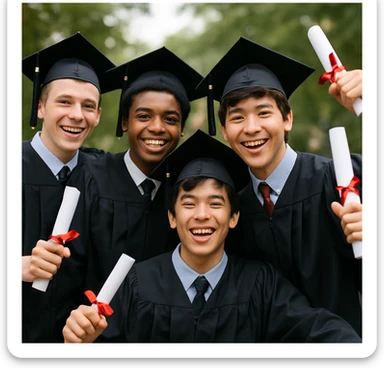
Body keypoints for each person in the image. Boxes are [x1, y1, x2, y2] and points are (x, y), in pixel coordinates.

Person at [62, 142, 361, 343]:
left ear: (234, 217)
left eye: (216, 203)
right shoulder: (136, 284)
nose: (202, 216)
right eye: (189, 204)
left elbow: (318, 329)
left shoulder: (262, 285)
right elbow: (94, 339)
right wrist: (79, 339)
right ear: (171, 217)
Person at [194, 36, 362, 337]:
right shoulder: (232, 213)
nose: (251, 128)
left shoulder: (346, 178)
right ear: (224, 131)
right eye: (237, 117)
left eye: (263, 112)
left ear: (287, 119)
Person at [60, 47, 206, 324]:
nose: (157, 127)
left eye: (170, 119)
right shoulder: (91, 178)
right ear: (125, 122)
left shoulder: (187, 190)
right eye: (143, 116)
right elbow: (67, 272)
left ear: (182, 128)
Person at [21, 32, 116, 342]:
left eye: (88, 106)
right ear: (40, 107)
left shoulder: (104, 175)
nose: (77, 115)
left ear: (98, 116)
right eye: (64, 102)